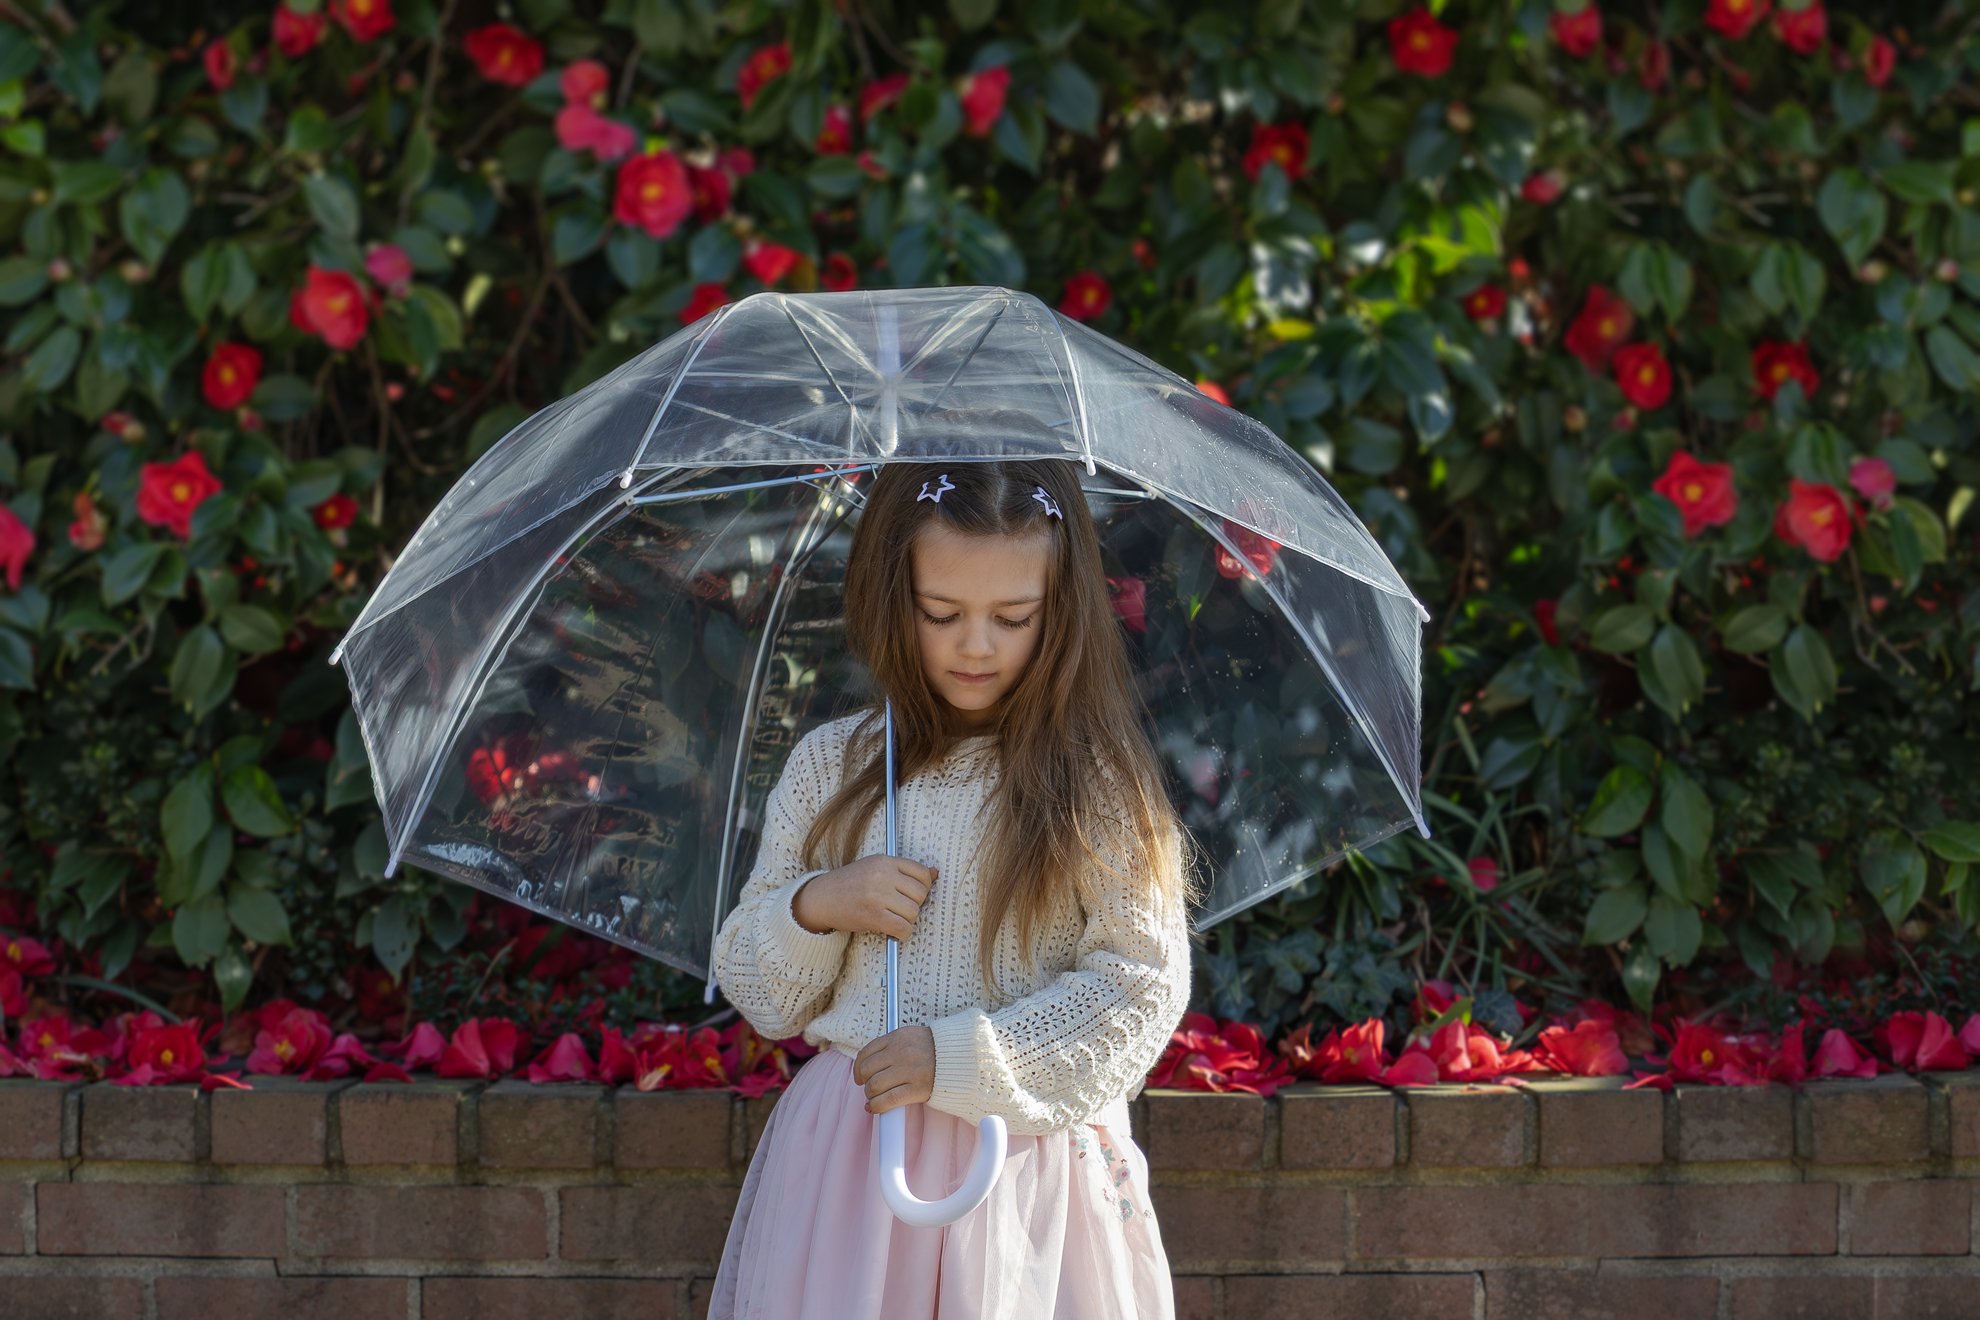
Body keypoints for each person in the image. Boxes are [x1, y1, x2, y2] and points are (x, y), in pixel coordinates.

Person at [708, 455, 1198, 1319]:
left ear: (1065, 611)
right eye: (942, 614)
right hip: (854, 1171)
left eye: (1014, 617)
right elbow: (760, 992)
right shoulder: (836, 766)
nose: (976, 645)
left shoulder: (1095, 782)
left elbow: (1141, 986)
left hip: (1023, 1169)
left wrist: (965, 1058)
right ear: (894, 602)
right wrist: (819, 906)